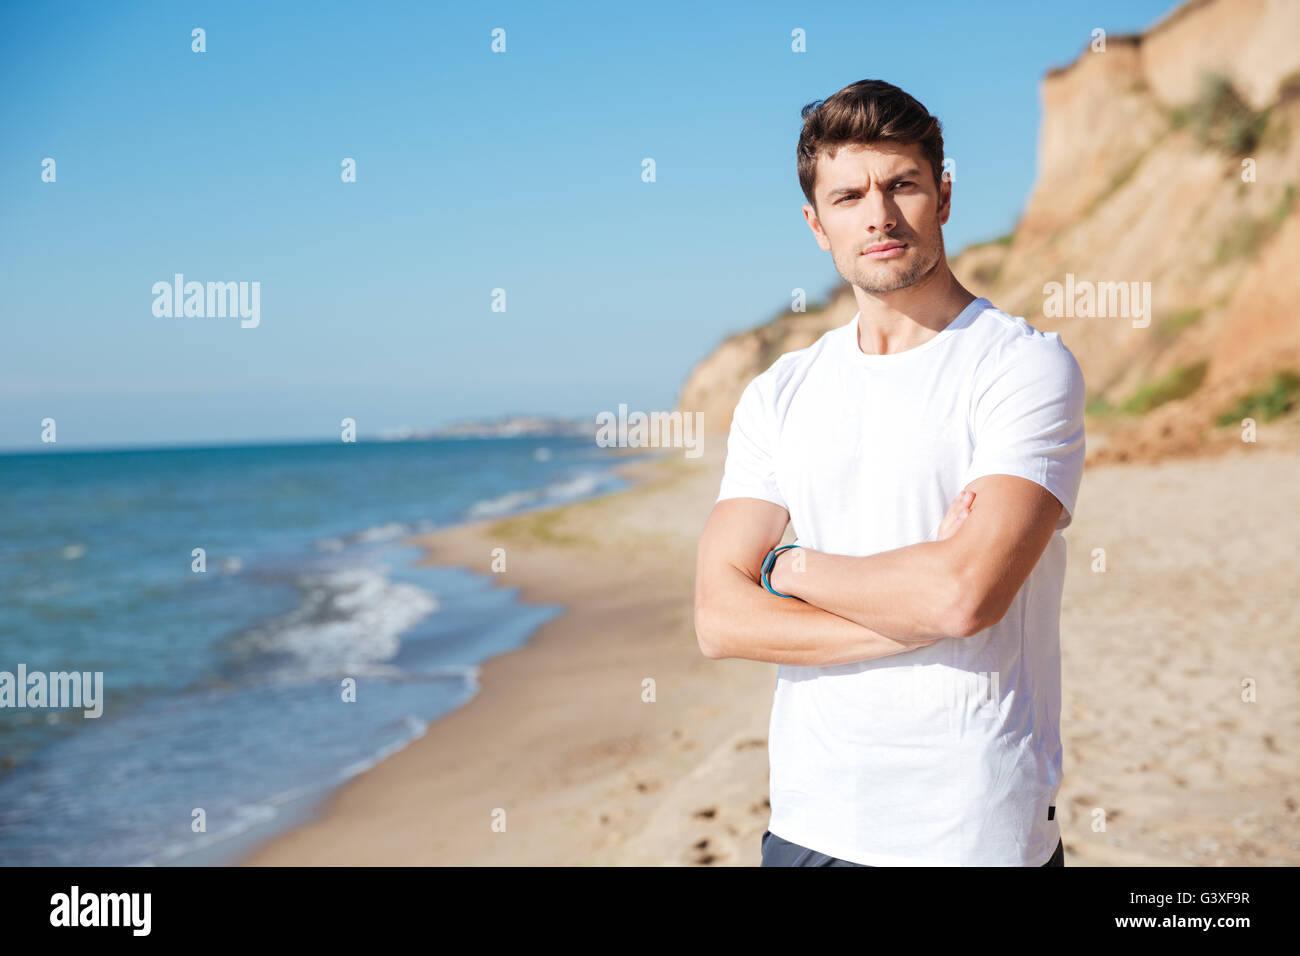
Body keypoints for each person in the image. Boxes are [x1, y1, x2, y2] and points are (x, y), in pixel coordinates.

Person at [693, 79, 1085, 867]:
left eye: (901, 184)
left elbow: (963, 594)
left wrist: (788, 567)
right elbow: (719, 621)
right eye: (848, 196)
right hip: (810, 823)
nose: (878, 214)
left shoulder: (1023, 368)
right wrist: (916, 605)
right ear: (816, 223)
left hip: (973, 828)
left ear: (942, 194)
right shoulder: (779, 393)